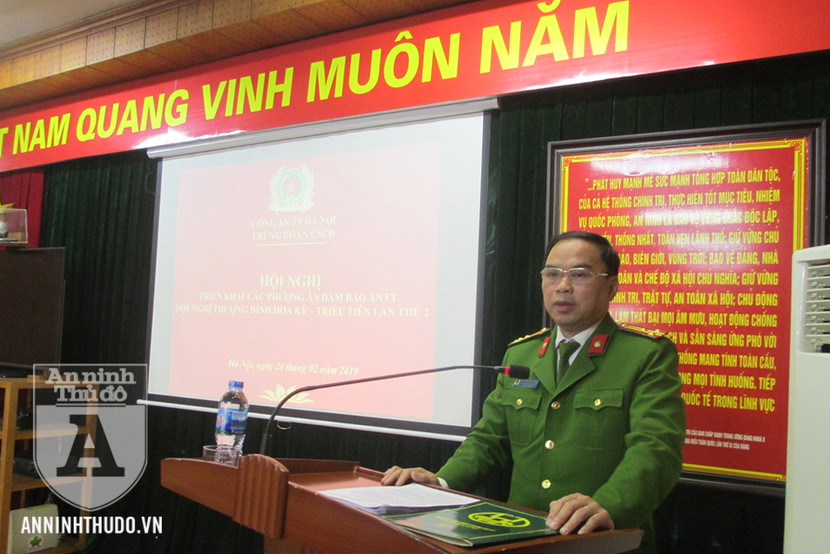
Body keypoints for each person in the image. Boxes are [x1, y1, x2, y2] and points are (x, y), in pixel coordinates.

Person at [382, 230, 685, 553]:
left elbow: (656, 448)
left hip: (601, 540)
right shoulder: (522, 354)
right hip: (520, 538)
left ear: (612, 286)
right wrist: (440, 483)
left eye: (579, 274)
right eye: (552, 274)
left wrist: (610, 505)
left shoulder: (644, 355)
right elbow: (489, 440)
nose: (563, 286)